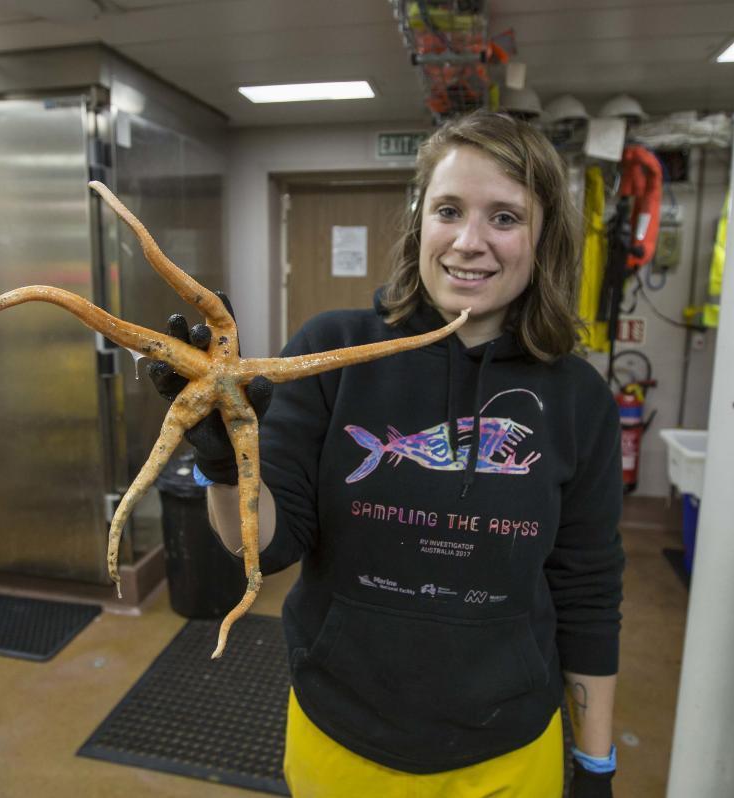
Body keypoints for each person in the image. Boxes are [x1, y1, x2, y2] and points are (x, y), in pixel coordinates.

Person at [151, 109, 624, 797]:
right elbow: (265, 546)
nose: (470, 241)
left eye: (504, 217)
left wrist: (596, 763)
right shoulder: (332, 352)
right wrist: (228, 463)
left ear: (542, 236)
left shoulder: (579, 397)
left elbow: (588, 592)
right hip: (344, 735)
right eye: (449, 209)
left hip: (508, 748)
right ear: (418, 222)